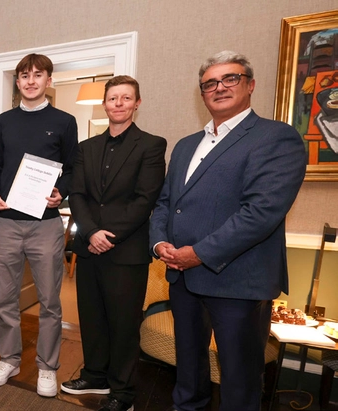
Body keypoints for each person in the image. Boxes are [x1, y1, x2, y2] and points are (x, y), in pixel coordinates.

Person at [149, 51, 307, 411]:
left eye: (230, 78)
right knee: (188, 370)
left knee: (239, 379)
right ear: (202, 94)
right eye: (210, 83)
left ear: (250, 85)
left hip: (238, 281)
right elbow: (166, 203)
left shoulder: (276, 137)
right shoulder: (186, 145)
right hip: (182, 278)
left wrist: (198, 253)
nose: (219, 87)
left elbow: (261, 212)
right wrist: (159, 244)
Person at [59, 75, 166, 411]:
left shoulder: (151, 145)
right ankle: (95, 375)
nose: (118, 103)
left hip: (126, 252)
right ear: (104, 104)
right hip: (89, 248)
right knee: (92, 318)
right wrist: (91, 232)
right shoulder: (86, 148)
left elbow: (145, 199)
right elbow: (77, 194)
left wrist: (108, 236)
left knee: (123, 324)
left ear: (137, 103)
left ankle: (122, 392)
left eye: (126, 98)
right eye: (112, 98)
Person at [0, 53, 78, 397]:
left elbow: (72, 169)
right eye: (24, 75)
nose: (30, 81)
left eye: (38, 75)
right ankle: (9, 359)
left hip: (45, 225)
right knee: (6, 299)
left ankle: (47, 366)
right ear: (18, 82)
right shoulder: (4, 121)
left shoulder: (64, 121)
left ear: (48, 80)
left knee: (50, 300)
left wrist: (61, 193)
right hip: (7, 223)